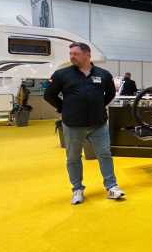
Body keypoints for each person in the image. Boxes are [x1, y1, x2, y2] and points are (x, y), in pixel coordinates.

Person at [44, 42, 125, 204]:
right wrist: (64, 108)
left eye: (76, 54)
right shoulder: (62, 74)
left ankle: (112, 187)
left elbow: (110, 94)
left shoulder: (103, 74)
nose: (72, 57)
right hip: (73, 125)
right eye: (71, 54)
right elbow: (49, 95)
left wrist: (98, 107)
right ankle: (77, 189)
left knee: (105, 154)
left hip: (98, 124)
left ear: (87, 55)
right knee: (73, 157)